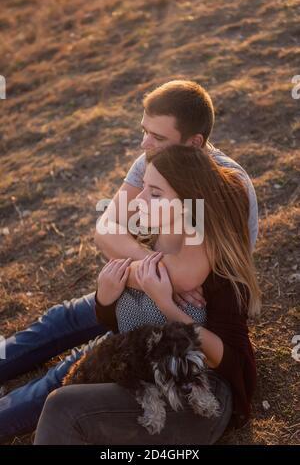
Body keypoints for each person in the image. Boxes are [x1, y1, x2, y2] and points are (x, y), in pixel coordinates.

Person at [0, 80, 258, 442]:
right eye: (144, 131)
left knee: (71, 372)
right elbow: (106, 231)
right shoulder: (153, 164)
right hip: (144, 295)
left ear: (194, 144)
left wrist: (150, 283)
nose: (144, 145)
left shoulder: (222, 188)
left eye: (157, 137)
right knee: (64, 317)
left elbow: (186, 279)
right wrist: (144, 271)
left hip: (186, 313)